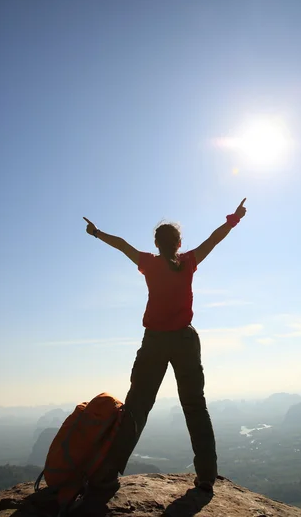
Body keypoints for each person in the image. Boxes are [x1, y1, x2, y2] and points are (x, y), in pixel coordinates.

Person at [83, 198, 247, 493]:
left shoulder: (148, 263)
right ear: (178, 243)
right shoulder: (188, 262)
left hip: (155, 342)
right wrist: (233, 219)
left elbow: (121, 244)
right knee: (195, 406)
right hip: (185, 340)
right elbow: (214, 239)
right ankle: (207, 476)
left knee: (136, 407)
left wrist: (96, 233)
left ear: (157, 244)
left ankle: (108, 472)